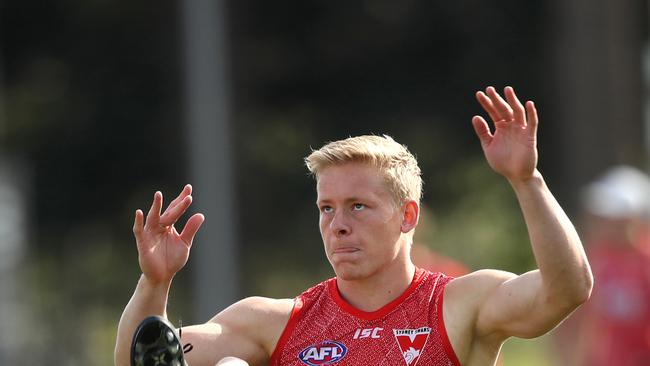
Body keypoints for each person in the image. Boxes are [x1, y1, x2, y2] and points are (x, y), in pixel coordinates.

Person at [114, 86, 593, 366]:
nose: (338, 225)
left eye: (358, 207)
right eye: (327, 209)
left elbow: (566, 290)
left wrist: (527, 181)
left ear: (408, 216)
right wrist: (155, 281)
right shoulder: (274, 322)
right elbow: (144, 359)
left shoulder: (459, 304)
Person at [553, 165, 650, 366]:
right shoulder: (594, 260)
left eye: (615, 218)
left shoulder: (645, 261)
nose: (603, 224)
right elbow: (571, 320)